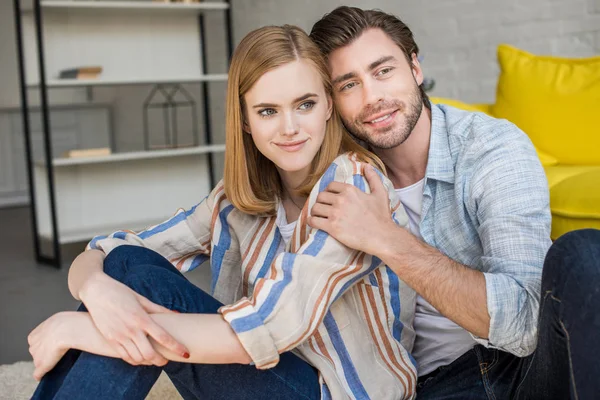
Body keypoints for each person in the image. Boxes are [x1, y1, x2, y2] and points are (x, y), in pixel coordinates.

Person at [27, 25, 418, 400]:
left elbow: (267, 329)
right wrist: (94, 291)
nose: (290, 128)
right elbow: (112, 251)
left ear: (329, 106)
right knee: (129, 265)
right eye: (268, 111)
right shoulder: (238, 198)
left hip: (337, 392)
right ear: (245, 120)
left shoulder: (354, 185)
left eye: (305, 104)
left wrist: (78, 329)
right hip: (264, 378)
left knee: (143, 289)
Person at [309, 6, 600, 399]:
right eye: (348, 85)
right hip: (423, 385)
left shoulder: (491, 147)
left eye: (383, 71)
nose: (372, 97)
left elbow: (526, 321)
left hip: (525, 371)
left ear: (414, 68)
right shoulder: (338, 174)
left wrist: (386, 238)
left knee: (582, 253)